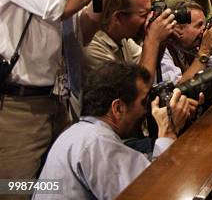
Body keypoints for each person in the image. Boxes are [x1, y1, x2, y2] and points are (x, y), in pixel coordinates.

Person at [0, 0, 130, 181]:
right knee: (15, 190)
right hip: (16, 107)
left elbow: (80, 34)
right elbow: (58, 4)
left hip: (55, 101)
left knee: (56, 188)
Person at [33, 61, 195, 200]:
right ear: (118, 108)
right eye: (143, 102)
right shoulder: (95, 142)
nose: (146, 111)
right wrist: (168, 132)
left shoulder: (79, 133)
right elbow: (155, 193)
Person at [84, 0, 179, 82]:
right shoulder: (93, 47)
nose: (149, 20)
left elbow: (148, 65)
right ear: (118, 17)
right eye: (143, 15)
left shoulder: (122, 39)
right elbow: (139, 88)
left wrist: (161, 42)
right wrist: (153, 39)